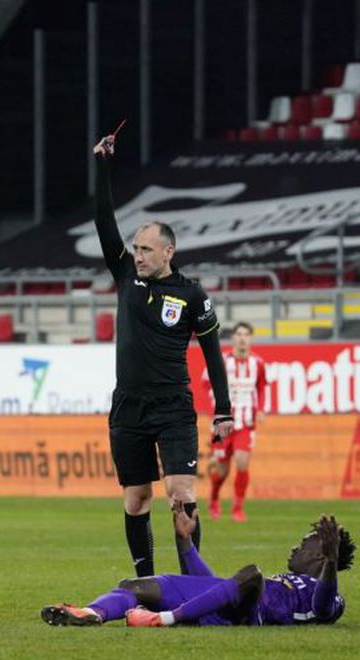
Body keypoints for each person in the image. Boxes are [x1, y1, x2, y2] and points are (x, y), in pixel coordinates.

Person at [93, 129, 233, 577]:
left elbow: (213, 354)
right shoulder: (125, 276)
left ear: (168, 252)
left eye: (146, 250)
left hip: (174, 406)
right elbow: (103, 221)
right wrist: (102, 166)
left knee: (179, 492)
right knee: (137, 499)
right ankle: (147, 581)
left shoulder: (191, 295)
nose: (137, 256)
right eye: (135, 249)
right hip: (128, 406)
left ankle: (193, 580)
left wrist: (224, 412)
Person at [41, 503, 355, 628]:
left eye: (305, 543)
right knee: (135, 586)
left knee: (252, 575)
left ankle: (161, 620)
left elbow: (323, 607)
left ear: (320, 554)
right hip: (226, 602)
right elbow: (218, 588)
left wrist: (330, 563)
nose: (295, 547)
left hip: (248, 614)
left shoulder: (329, 594)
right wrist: (185, 544)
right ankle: (93, 613)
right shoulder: (286, 577)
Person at [208, 321, 268, 523]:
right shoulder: (223, 361)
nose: (242, 338)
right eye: (239, 334)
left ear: (251, 339)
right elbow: (205, 383)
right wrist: (214, 407)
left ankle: (237, 507)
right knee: (221, 470)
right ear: (233, 337)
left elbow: (261, 387)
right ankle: (214, 497)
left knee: (242, 462)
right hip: (224, 423)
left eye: (246, 334)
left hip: (247, 422)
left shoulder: (258, 363)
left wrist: (260, 409)